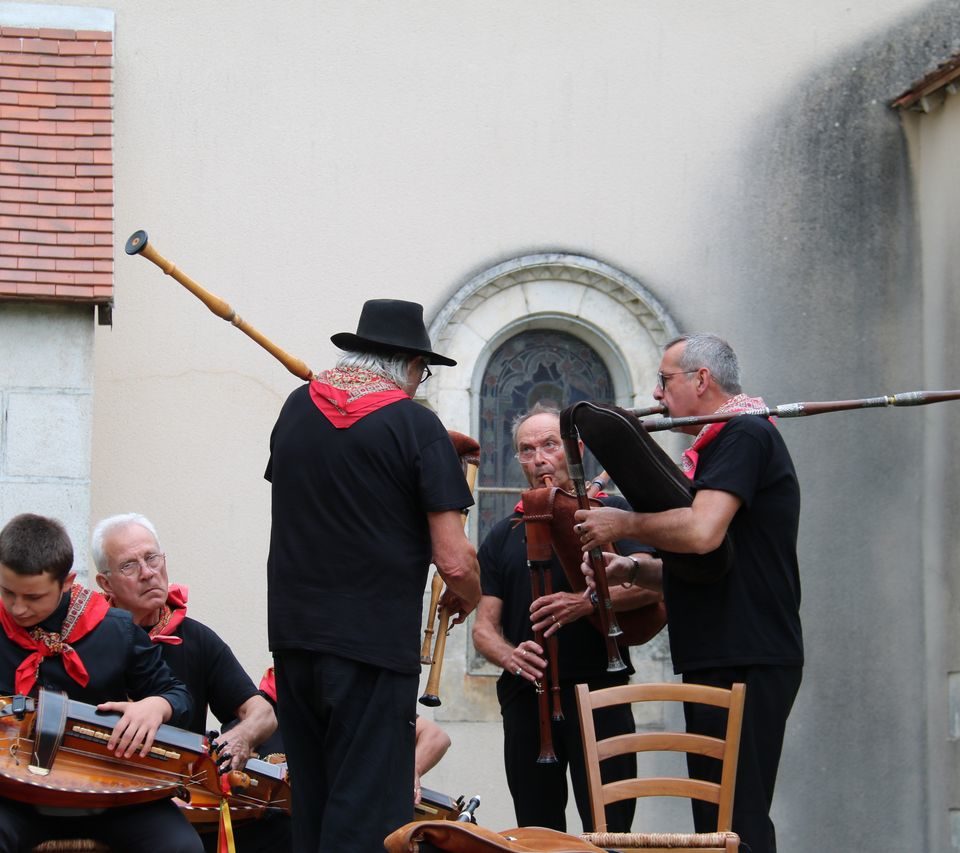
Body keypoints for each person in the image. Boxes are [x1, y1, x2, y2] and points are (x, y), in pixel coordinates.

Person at [265, 298, 481, 851]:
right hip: (371, 649)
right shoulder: (415, 425)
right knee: (368, 819)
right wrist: (468, 595)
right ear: (409, 364)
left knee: (311, 803)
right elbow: (455, 561)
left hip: (293, 641)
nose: (420, 382)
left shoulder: (294, 409)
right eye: (422, 372)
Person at [575, 334, 803, 853]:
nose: (658, 395)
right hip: (722, 652)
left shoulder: (743, 433)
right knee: (714, 821)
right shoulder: (725, 441)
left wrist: (623, 521)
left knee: (735, 821)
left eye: (665, 380)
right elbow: (708, 567)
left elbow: (702, 533)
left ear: (702, 380)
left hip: (748, 652)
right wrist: (630, 567)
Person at [472, 403, 662, 832]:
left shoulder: (612, 511)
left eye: (549, 445)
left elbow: (649, 586)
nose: (538, 458)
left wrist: (584, 603)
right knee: (537, 833)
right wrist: (508, 656)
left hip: (601, 694)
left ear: (573, 450)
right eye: (526, 449)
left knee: (611, 832)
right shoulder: (504, 533)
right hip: (528, 699)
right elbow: (484, 627)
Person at [0, 513, 202, 853]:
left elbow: (177, 695)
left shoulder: (114, 629)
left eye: (33, 597)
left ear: (66, 582)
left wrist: (156, 706)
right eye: (7, 592)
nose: (18, 608)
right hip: (14, 793)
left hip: (110, 790)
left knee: (181, 846)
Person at [91, 512, 286, 852]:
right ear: (105, 584)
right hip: (101, 788)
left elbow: (262, 713)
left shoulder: (196, 638)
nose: (148, 572)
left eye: (152, 558)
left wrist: (239, 737)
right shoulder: (89, 639)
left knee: (282, 822)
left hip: (178, 795)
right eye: (129, 565)